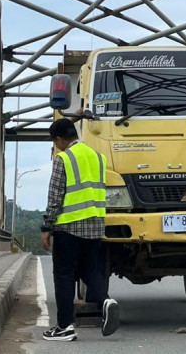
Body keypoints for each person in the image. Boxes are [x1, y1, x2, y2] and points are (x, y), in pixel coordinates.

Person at [41, 118, 119, 342]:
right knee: (89, 271)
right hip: (95, 226)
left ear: (58, 139)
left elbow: (55, 196)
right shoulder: (98, 158)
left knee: (64, 275)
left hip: (69, 226)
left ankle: (64, 327)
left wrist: (47, 226)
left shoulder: (63, 158)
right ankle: (106, 300)